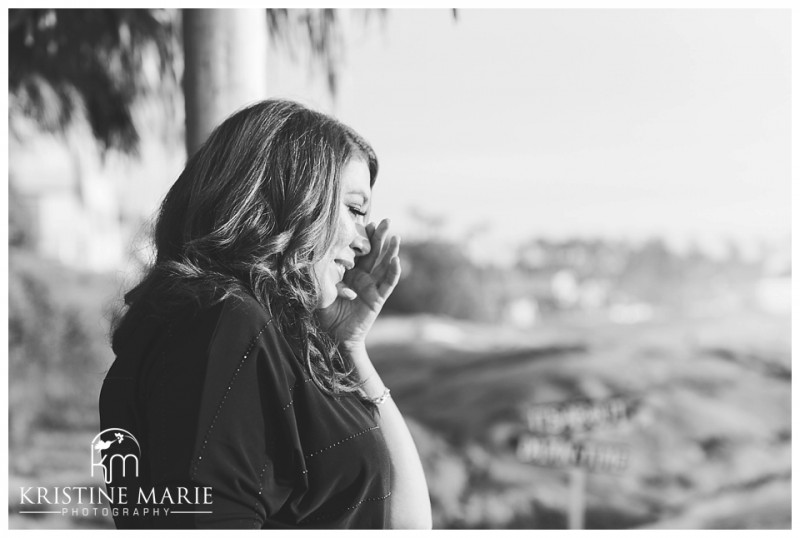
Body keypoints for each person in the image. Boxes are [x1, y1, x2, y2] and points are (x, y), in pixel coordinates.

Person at [99, 99, 432, 529]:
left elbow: (405, 523)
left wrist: (350, 346)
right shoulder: (223, 327)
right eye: (353, 208)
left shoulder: (270, 336)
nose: (365, 243)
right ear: (288, 199)